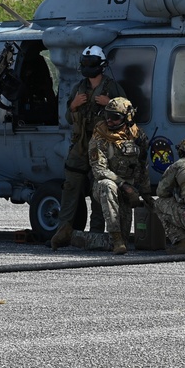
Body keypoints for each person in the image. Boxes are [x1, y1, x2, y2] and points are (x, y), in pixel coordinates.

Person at [50, 45, 126, 249]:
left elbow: (128, 113)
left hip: (102, 147)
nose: (87, 68)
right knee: (70, 188)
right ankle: (62, 231)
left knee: (99, 191)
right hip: (80, 146)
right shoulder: (79, 88)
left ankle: (96, 234)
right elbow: (68, 117)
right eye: (85, 63)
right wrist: (73, 105)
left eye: (90, 64)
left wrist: (110, 103)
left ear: (101, 66)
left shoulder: (112, 88)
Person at [59, 97, 151, 254]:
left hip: (126, 190)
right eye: (107, 115)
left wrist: (146, 196)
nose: (109, 120)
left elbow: (142, 167)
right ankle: (116, 239)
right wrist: (125, 186)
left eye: (115, 117)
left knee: (118, 241)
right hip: (104, 186)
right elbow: (100, 170)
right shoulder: (100, 136)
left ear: (127, 117)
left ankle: (70, 236)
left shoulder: (137, 136)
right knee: (108, 186)